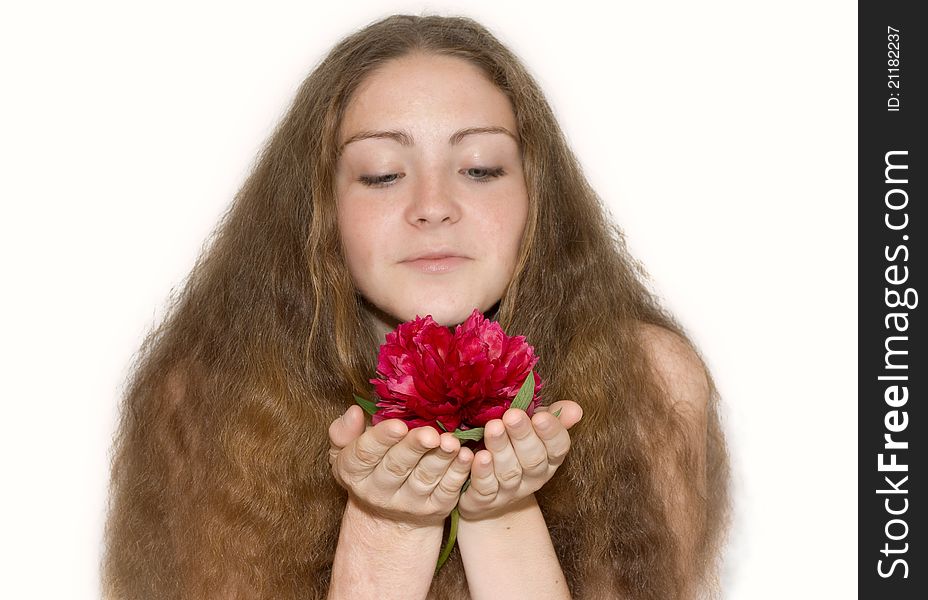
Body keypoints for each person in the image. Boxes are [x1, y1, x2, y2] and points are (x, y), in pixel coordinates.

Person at [101, 14, 730, 600]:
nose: (433, 205)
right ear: (318, 210)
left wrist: (500, 513)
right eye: (382, 174)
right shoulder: (209, 397)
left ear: (538, 194)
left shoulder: (651, 379)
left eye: (480, 168)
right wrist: (388, 528)